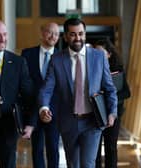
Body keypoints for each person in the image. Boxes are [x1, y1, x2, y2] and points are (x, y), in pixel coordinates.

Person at [38, 18, 118, 168]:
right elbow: (46, 88)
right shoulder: (56, 60)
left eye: (81, 34)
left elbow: (110, 88)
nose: (78, 38)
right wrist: (44, 107)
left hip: (93, 122)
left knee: (88, 164)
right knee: (73, 164)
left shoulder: (98, 57)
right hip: (69, 122)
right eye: (73, 34)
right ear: (66, 36)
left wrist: (112, 112)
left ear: (85, 34)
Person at [0, 19, 34, 168]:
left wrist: (30, 123)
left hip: (7, 123)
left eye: (5, 34)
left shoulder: (18, 62)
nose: (3, 39)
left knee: (8, 164)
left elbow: (29, 95)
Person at [21, 22, 60, 168]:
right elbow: (24, 84)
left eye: (56, 34)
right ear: (42, 33)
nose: (53, 36)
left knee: (53, 149)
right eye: (50, 32)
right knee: (36, 149)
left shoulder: (62, 56)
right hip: (33, 110)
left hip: (54, 111)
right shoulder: (27, 54)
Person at [95, 39, 131, 168]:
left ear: (109, 54)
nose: (97, 55)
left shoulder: (118, 70)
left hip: (113, 114)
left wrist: (111, 97)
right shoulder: (92, 70)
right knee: (95, 150)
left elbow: (127, 92)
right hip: (96, 113)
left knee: (111, 147)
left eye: (100, 52)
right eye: (95, 52)